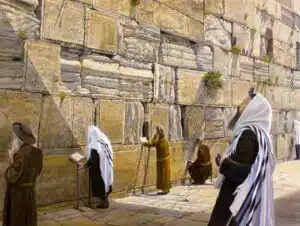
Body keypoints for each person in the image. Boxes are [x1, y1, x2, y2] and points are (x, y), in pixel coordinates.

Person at [208, 89, 275, 226]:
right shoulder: (257, 134)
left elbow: (245, 173)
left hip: (235, 198)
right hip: (241, 196)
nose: (241, 105)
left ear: (254, 109)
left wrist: (225, 163)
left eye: (246, 102)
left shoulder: (249, 135)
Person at [3, 122, 43, 226]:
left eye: (15, 137)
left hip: (19, 194)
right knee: (28, 219)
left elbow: (11, 176)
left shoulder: (19, 154)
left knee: (18, 219)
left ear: (19, 139)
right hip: (30, 193)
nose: (14, 139)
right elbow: (38, 171)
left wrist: (11, 160)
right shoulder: (38, 152)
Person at [80, 126, 113, 208]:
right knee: (106, 184)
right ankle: (105, 201)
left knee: (100, 185)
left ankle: (104, 202)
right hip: (107, 167)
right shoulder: (105, 141)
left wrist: (84, 165)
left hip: (99, 170)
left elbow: (93, 158)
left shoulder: (95, 144)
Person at [141, 125, 171, 195]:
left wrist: (144, 142)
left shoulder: (159, 138)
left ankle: (165, 189)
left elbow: (152, 143)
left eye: (156, 131)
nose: (155, 132)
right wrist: (149, 140)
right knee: (164, 175)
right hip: (164, 159)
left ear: (158, 131)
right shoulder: (160, 138)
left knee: (163, 175)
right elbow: (153, 141)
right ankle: (166, 189)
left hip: (163, 160)